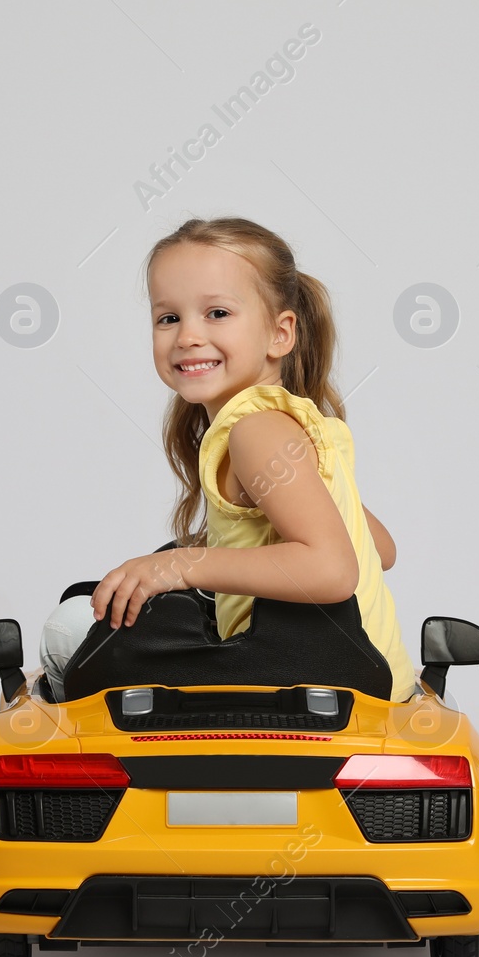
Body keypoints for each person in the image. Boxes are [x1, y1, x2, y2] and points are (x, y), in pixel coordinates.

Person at [39, 216, 418, 701]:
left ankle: (71, 760)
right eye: (168, 317)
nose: (188, 336)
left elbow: (333, 570)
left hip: (312, 678)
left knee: (68, 627)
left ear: (281, 335)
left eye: (217, 313)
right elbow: (380, 549)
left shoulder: (255, 431)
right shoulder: (301, 423)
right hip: (374, 675)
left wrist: (182, 566)